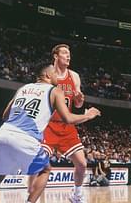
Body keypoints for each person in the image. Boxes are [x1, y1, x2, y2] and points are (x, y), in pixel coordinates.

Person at [0, 62, 100, 203]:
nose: (57, 76)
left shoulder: (24, 88)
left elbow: (5, 115)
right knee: (45, 169)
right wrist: (88, 115)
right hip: (26, 138)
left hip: (3, 135)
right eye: (54, 73)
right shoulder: (54, 91)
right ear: (47, 75)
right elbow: (68, 118)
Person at [41, 44, 88, 202]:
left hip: (67, 126)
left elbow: (78, 104)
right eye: (64, 53)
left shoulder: (74, 76)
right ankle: (31, 196)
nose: (68, 56)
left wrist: (80, 100)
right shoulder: (48, 74)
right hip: (48, 124)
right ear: (55, 56)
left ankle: (76, 194)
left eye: (69, 54)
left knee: (82, 164)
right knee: (39, 164)